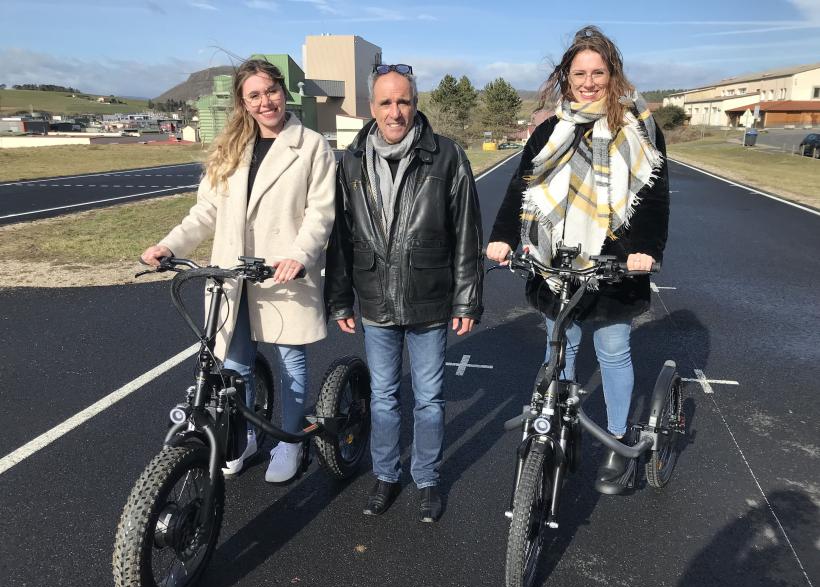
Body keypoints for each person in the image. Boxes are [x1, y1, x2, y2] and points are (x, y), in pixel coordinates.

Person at [486, 25, 670, 495]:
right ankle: (559, 429)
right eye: (579, 73)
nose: (588, 82)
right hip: (557, 260)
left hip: (614, 262)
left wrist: (645, 249)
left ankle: (616, 436)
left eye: (598, 72)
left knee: (612, 350)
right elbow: (521, 185)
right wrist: (505, 236)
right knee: (559, 347)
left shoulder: (638, 126)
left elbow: (654, 195)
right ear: (565, 77)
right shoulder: (551, 128)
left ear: (613, 75)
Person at [141, 58, 336, 483]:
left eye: (271, 91)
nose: (266, 102)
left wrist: (299, 255)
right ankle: (247, 437)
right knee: (236, 363)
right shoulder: (230, 147)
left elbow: (320, 214)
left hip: (282, 273)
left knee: (290, 361)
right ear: (243, 102)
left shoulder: (312, 146)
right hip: (231, 275)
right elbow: (205, 211)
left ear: (284, 92)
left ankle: (289, 440)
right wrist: (169, 245)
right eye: (255, 95)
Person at [325, 63, 484, 522]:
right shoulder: (350, 162)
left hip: (429, 300)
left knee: (430, 398)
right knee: (383, 396)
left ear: (415, 103)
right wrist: (339, 299)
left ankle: (428, 478)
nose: (396, 112)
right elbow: (340, 237)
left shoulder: (448, 157)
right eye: (386, 102)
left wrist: (466, 299)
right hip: (375, 298)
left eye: (404, 101)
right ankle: (387, 474)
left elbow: (466, 235)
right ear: (371, 108)